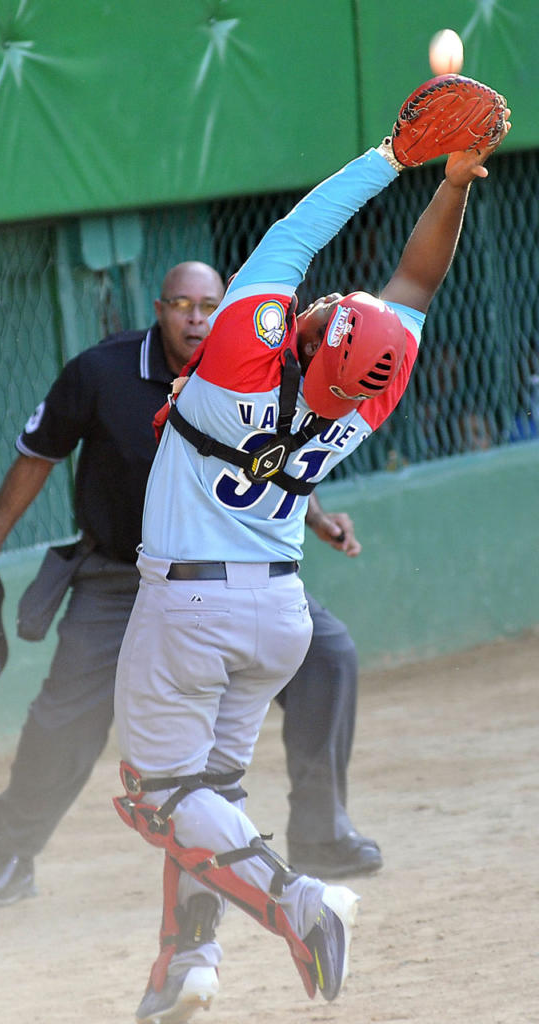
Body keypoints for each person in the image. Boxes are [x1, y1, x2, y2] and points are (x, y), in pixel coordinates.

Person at [112, 116, 510, 1023]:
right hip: (277, 614)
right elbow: (416, 282)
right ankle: (187, 962)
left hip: (189, 610)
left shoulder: (245, 350)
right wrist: (451, 187)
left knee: (156, 795)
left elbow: (298, 233)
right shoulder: (370, 391)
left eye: (337, 312)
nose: (338, 298)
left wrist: (391, 160)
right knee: (208, 793)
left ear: (312, 339)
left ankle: (300, 902)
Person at [0, 260, 378, 912]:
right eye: (181, 304)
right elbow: (38, 456)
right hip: (121, 576)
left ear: (227, 309)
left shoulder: (260, 366)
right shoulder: (103, 371)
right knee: (66, 716)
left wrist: (314, 517)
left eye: (209, 305)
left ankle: (320, 833)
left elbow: (271, 459)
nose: (196, 318)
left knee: (331, 659)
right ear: (159, 307)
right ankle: (12, 855)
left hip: (225, 574)